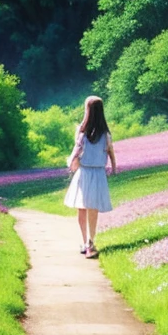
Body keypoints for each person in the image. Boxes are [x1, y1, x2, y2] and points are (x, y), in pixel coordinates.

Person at [64, 95, 117, 257]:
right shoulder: (105, 135)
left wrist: (70, 164)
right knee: (92, 208)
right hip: (98, 173)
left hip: (84, 173)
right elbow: (111, 152)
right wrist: (114, 167)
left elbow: (75, 152)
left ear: (88, 111)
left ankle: (85, 241)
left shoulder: (82, 133)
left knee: (82, 208)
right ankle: (90, 242)